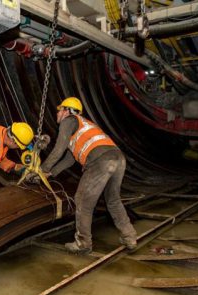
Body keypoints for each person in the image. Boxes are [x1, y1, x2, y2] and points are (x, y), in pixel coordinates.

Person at [40, 97, 137, 253]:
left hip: (100, 161)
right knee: (113, 200)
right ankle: (130, 237)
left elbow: (59, 149)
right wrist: (51, 173)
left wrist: (42, 169)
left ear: (67, 111)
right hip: (118, 158)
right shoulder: (82, 127)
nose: (57, 113)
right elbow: (69, 159)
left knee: (82, 200)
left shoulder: (69, 121)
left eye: (59, 110)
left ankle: (83, 243)